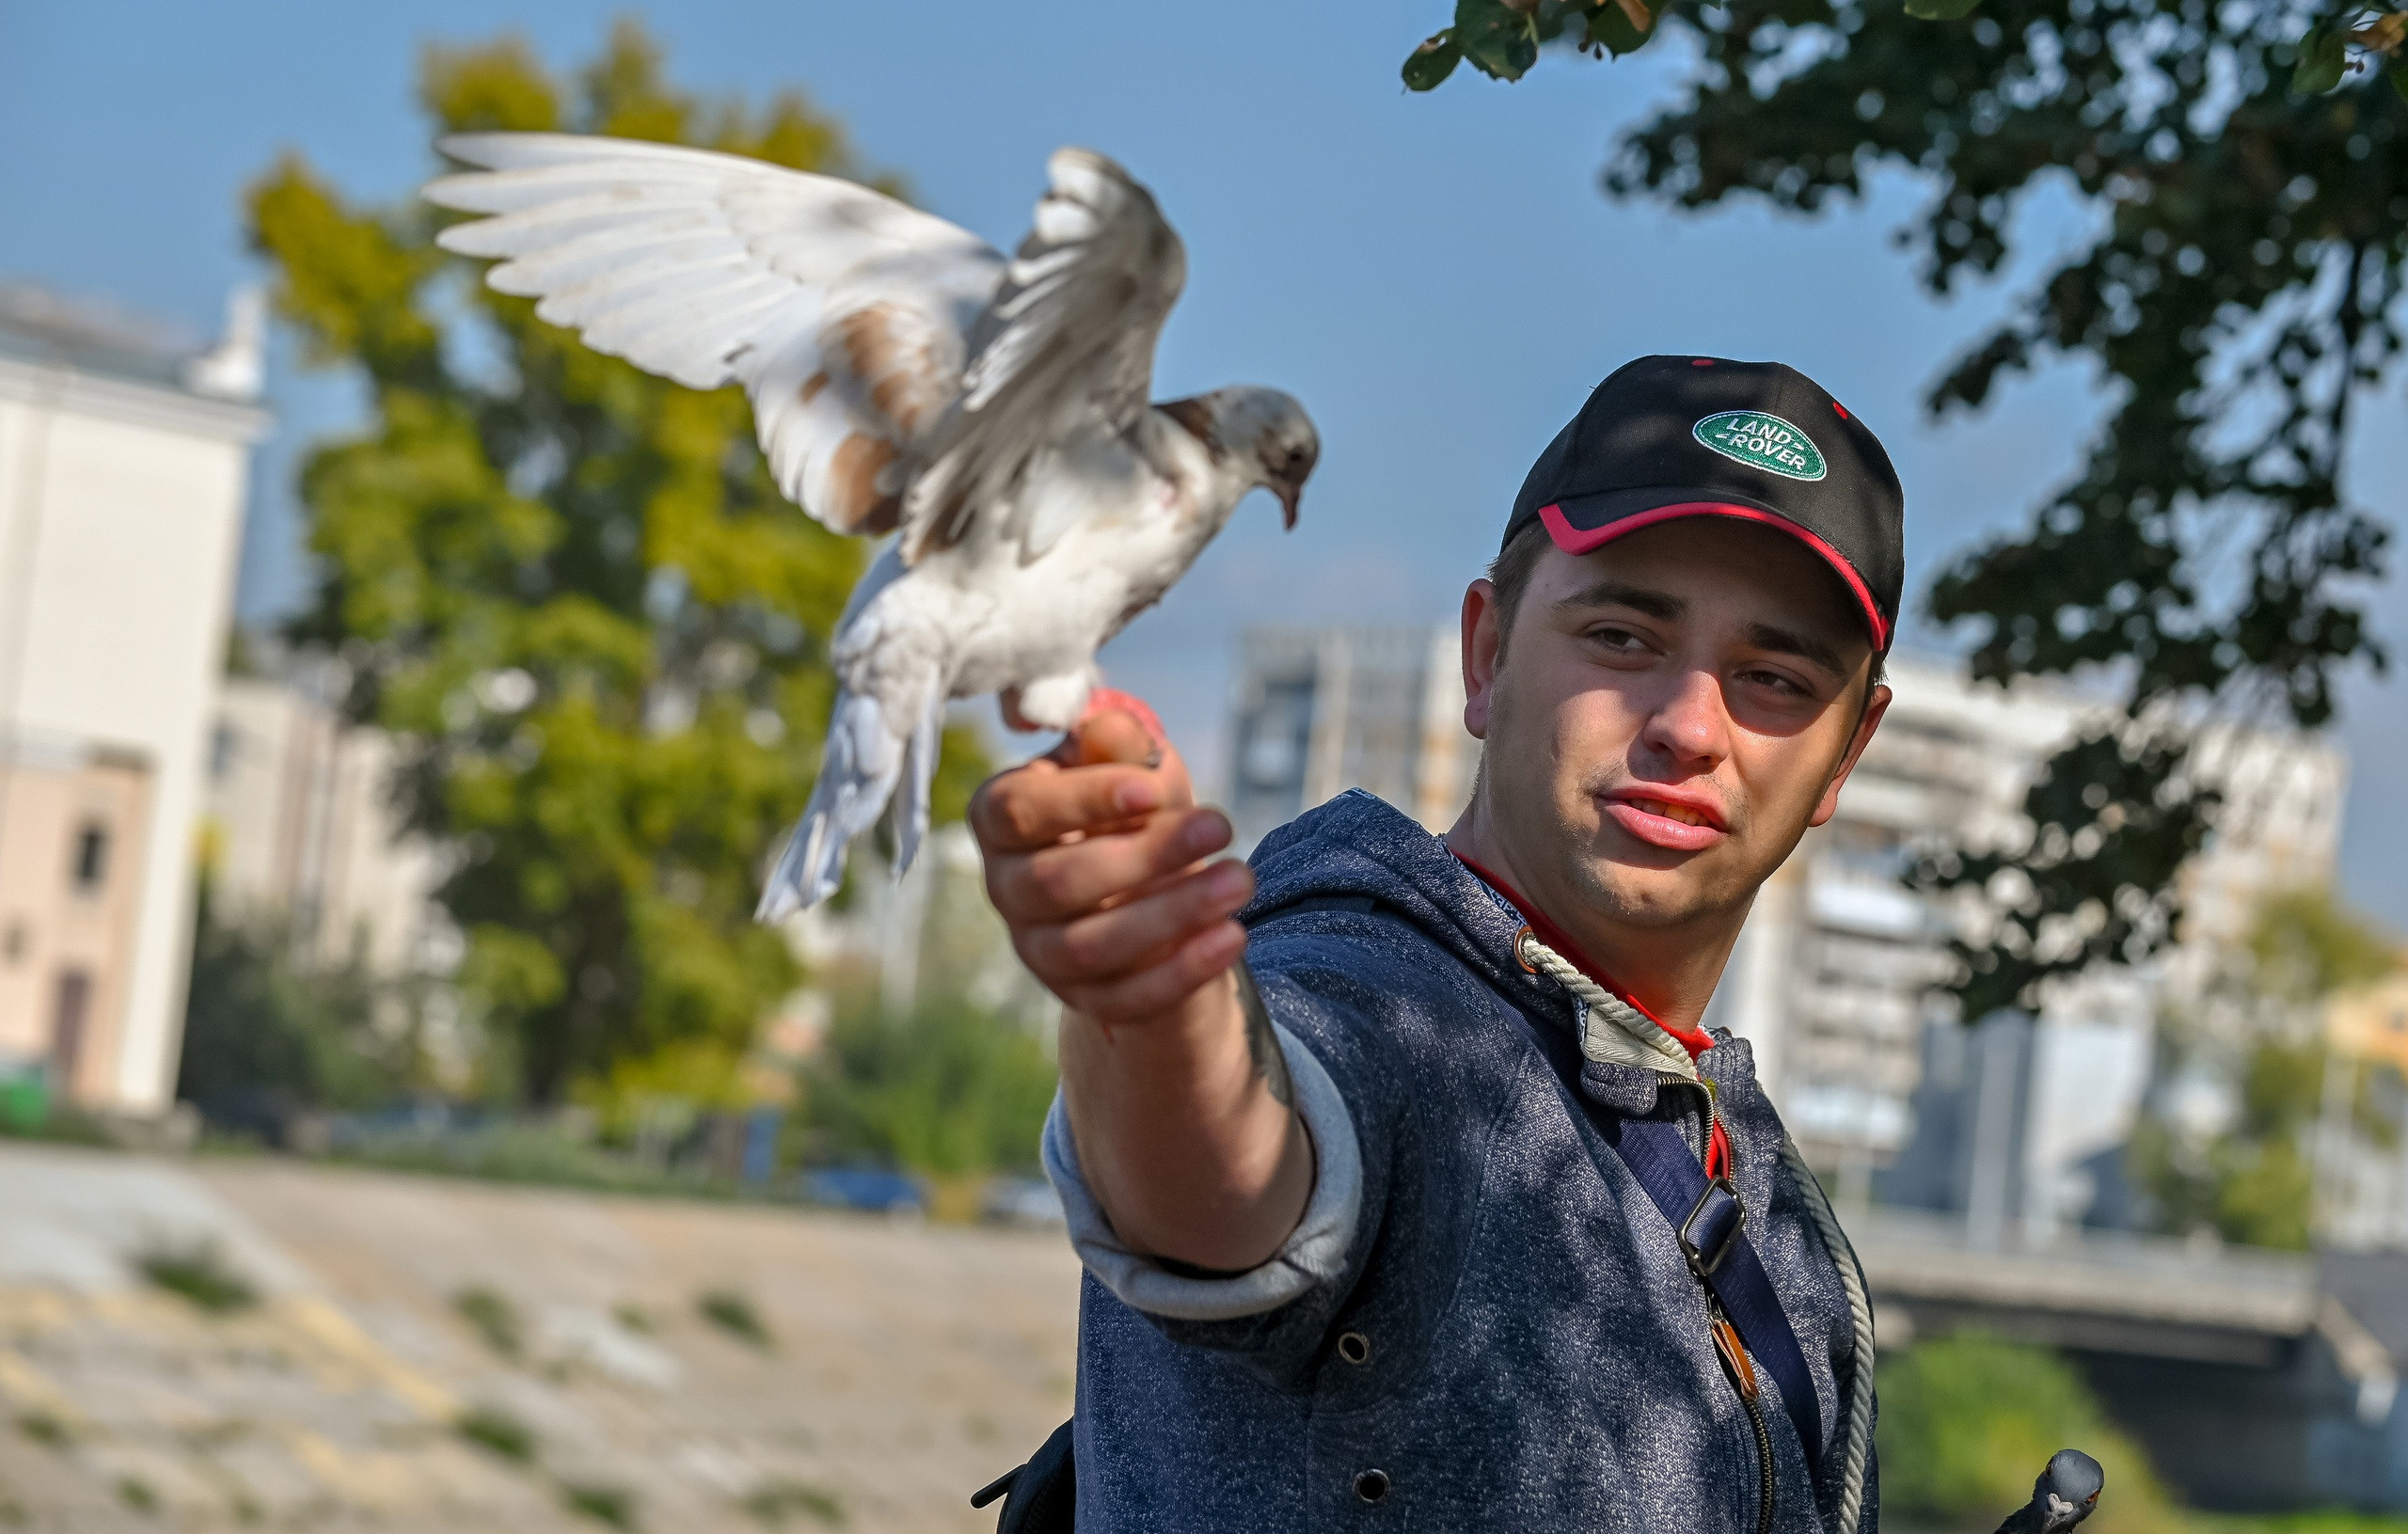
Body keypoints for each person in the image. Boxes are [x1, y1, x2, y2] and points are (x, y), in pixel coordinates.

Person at [971, 356, 1900, 1531]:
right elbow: (1230, 1183)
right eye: (1621, 635)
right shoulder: (1374, 1005)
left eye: (1772, 677)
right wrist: (1148, 995)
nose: (1686, 725)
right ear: (1486, 653)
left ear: (1846, 751)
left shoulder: (1746, 1169)